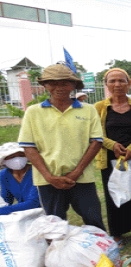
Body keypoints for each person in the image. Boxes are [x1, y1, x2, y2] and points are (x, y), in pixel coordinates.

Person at [18, 64, 106, 230]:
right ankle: (57, 255)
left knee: (93, 220)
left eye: (64, 83)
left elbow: (96, 142)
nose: (59, 87)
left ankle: (100, 253)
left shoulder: (88, 110)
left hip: (82, 177)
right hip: (48, 179)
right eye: (53, 83)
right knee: (54, 225)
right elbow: (29, 147)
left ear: (73, 85)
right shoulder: (33, 112)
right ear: (45, 85)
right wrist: (49, 176)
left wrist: (76, 173)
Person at [94, 68, 131, 250]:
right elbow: (95, 133)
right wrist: (112, 145)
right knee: (114, 193)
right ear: (106, 84)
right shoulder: (99, 108)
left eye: (122, 81)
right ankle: (117, 231)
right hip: (110, 158)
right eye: (112, 81)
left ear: (129, 83)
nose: (117, 84)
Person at [0, 142, 40, 215]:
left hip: (41, 212)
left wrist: (4, 210)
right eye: (12, 157)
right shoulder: (4, 175)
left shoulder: (36, 171)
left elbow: (34, 202)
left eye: (21, 155)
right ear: (4, 161)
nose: (17, 159)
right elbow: (7, 200)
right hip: (22, 214)